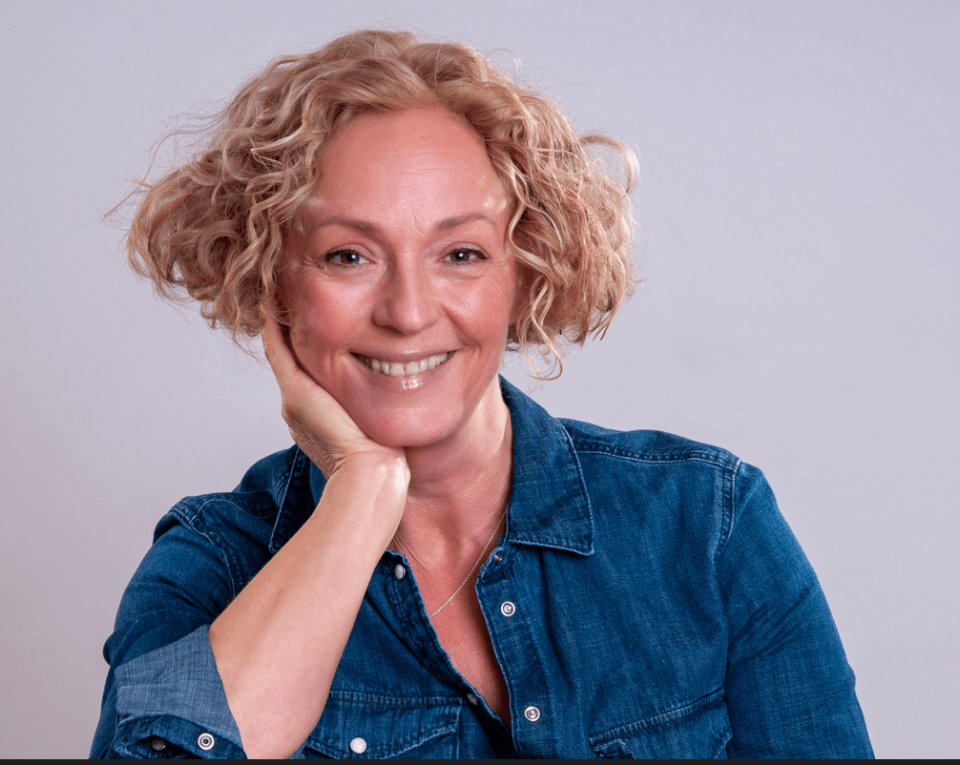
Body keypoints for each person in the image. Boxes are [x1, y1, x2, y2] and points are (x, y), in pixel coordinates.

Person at [92, 30, 872, 759]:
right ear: (271, 284)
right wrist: (362, 492)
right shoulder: (213, 563)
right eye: (348, 254)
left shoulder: (707, 524)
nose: (407, 310)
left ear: (524, 270)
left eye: (460, 253)